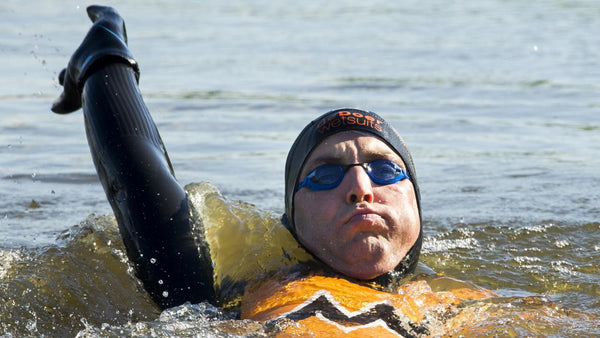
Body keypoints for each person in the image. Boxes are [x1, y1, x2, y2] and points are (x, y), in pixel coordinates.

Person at [53, 6, 494, 336]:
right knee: (151, 203)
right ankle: (105, 53)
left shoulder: (471, 306)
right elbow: (136, 167)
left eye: (384, 170)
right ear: (293, 220)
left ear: (416, 202)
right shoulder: (249, 293)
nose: (360, 187)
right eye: (324, 175)